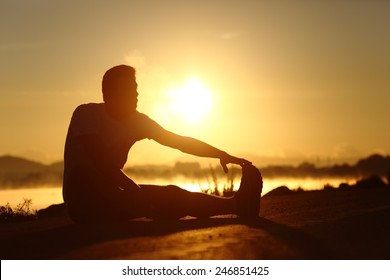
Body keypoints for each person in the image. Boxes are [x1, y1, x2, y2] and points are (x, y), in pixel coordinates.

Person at [62, 65, 262, 223]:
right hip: (83, 202)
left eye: (136, 88)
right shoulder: (86, 114)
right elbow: (99, 161)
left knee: (173, 194)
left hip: (117, 194)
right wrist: (133, 190)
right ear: (109, 94)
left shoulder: (137, 121)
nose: (136, 94)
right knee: (86, 176)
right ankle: (152, 207)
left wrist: (221, 154)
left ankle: (237, 206)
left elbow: (179, 141)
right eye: (129, 89)